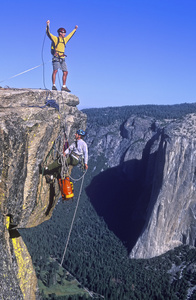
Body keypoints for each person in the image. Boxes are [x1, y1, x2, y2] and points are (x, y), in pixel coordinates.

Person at [46, 20, 78, 92]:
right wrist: (48, 25)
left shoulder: (65, 40)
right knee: (55, 71)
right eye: (64, 33)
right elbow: (48, 33)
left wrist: (75, 29)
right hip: (56, 57)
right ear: (60, 33)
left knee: (65, 72)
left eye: (65, 33)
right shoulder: (55, 39)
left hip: (62, 57)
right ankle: (54, 85)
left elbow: (70, 35)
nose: (65, 34)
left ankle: (64, 86)